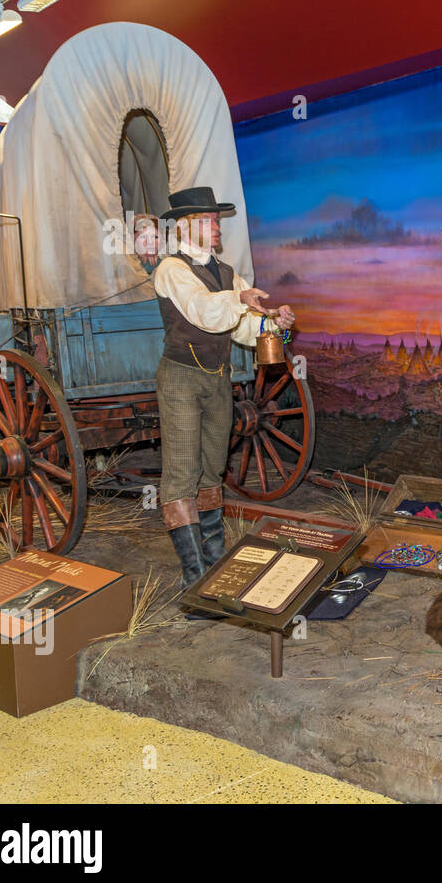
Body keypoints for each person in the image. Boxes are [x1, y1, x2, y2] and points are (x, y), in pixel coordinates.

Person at [152, 186, 294, 588]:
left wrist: (274, 326)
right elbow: (204, 311)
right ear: (185, 226)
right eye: (209, 221)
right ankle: (194, 579)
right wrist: (241, 298)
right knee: (182, 473)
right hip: (180, 377)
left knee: (212, 470)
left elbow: (244, 326)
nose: (216, 227)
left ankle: (214, 566)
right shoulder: (171, 270)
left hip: (217, 377)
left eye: (216, 220)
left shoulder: (228, 272)